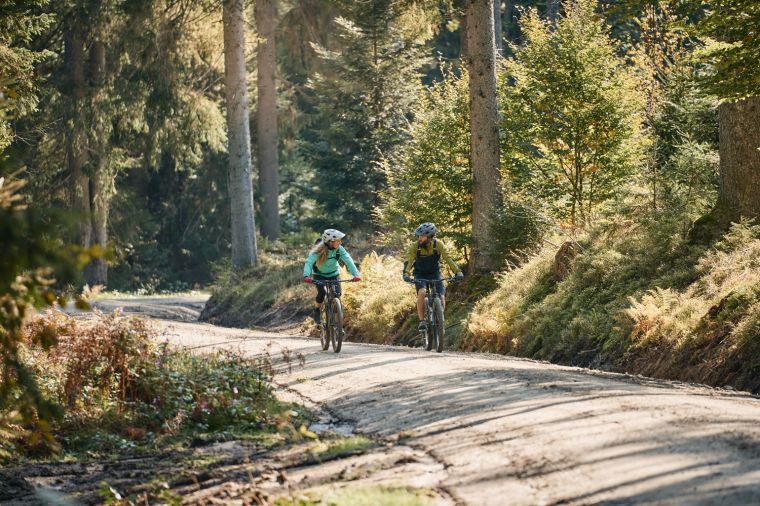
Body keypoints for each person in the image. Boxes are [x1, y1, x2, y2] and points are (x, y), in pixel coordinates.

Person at [402, 223, 464, 331]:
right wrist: (406, 274)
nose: (419, 238)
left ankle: (440, 320)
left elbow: (448, 258)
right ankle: (422, 321)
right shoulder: (415, 246)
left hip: (435, 273)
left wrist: (458, 272)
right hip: (420, 274)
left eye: (422, 236)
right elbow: (409, 260)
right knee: (422, 292)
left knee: (441, 297)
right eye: (419, 235)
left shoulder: (438, 245)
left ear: (430, 237)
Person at [303, 229, 361, 324]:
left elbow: (348, 260)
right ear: (330, 242)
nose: (340, 242)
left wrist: (356, 274)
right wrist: (306, 275)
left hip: (334, 274)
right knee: (322, 292)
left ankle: (336, 321)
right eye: (338, 240)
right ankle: (317, 310)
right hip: (319, 275)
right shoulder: (319, 250)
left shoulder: (339, 249)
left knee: (337, 294)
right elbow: (309, 262)